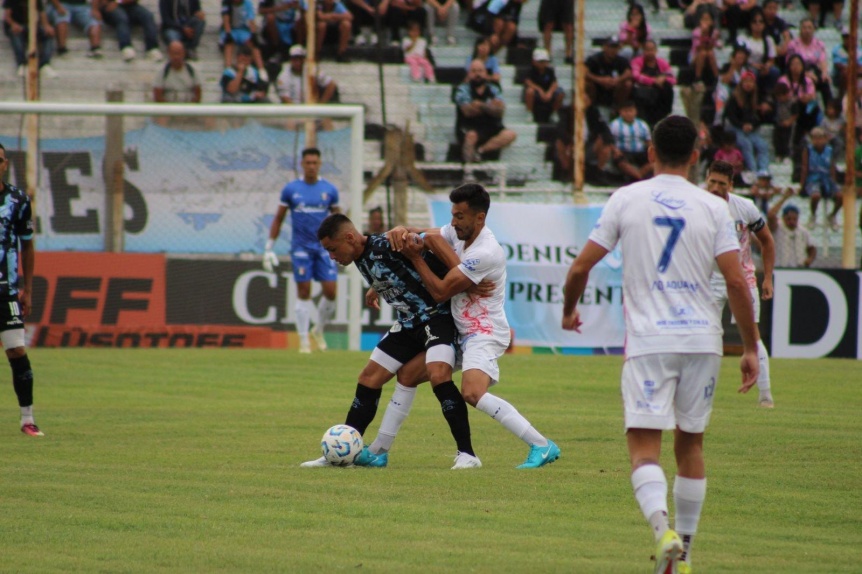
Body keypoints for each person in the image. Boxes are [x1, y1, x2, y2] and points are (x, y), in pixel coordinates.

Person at [561, 115, 759, 574]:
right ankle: (683, 554)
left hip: (651, 340)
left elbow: (578, 269)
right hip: (703, 340)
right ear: (695, 156)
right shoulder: (714, 207)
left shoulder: (626, 199)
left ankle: (661, 531)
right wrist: (751, 347)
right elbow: (735, 280)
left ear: (650, 152)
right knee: (691, 446)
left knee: (643, 449)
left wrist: (569, 311)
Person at [389, 183, 560, 469]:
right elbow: (429, 235)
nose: (453, 222)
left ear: (479, 218)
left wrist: (416, 257)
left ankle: (542, 445)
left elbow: (441, 292)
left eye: (460, 217)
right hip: (460, 331)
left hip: (484, 332)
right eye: (453, 215)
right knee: (407, 374)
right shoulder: (458, 232)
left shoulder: (486, 252)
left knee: (471, 392)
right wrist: (403, 229)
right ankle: (380, 450)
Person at [300, 213, 477, 469]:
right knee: (368, 378)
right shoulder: (360, 256)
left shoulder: (387, 243)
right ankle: (345, 451)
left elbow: (434, 240)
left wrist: (464, 276)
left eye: (333, 249)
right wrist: (376, 286)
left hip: (437, 318)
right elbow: (390, 272)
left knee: (439, 375)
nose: (332, 256)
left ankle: (467, 454)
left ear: (349, 238)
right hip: (408, 324)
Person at [705, 160, 776, 408]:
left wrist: (767, 277)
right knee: (704, 335)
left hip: (742, 278)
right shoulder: (696, 205)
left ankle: (765, 396)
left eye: (721, 183)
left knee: (752, 336)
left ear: (731, 185)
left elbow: (767, 241)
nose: (715, 187)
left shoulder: (744, 208)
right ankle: (702, 394)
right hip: (708, 280)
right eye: (711, 181)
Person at [263, 148, 338, 354]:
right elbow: (278, 218)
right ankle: (304, 342)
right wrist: (269, 246)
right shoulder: (291, 189)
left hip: (324, 248)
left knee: (331, 292)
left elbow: (338, 221)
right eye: (308, 163)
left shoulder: (329, 190)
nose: (311, 166)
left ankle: (318, 330)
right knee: (303, 292)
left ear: (320, 164)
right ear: (302, 164)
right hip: (300, 247)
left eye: (315, 163)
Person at [0, 143, 41, 437]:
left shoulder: (17, 200)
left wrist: (27, 287)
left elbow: (27, 243)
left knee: (16, 349)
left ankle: (27, 419)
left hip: (6, 290)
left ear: (4, 164)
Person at [454, 59, 517, 164]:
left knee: (510, 134)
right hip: (469, 126)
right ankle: (468, 171)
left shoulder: (494, 89)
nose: (477, 74)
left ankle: (480, 151)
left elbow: (500, 111)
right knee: (471, 136)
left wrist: (480, 105)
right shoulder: (462, 89)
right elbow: (467, 111)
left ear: (485, 73)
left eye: (480, 71)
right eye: (474, 71)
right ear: (469, 74)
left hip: (491, 126)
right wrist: (489, 107)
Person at [723, 70, 771, 184]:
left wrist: (752, 125)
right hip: (735, 128)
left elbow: (759, 118)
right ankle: (753, 170)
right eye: (746, 81)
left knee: (762, 145)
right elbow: (731, 117)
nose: (748, 84)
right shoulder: (734, 98)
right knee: (746, 144)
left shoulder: (756, 99)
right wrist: (742, 125)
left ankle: (763, 170)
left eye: (751, 82)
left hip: (750, 130)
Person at [799, 127, 841, 231]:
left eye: (820, 138)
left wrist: (834, 184)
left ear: (825, 139)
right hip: (813, 178)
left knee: (841, 196)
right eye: (815, 138)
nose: (818, 141)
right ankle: (813, 215)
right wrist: (802, 185)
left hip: (827, 178)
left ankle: (832, 215)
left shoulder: (830, 151)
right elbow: (805, 167)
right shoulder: (808, 150)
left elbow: (832, 168)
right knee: (815, 195)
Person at [4, 0, 58, 77]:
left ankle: (44, 64)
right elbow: (7, 16)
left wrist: (46, 26)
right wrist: (13, 24)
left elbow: (42, 13)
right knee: (15, 35)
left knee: (48, 34)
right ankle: (22, 64)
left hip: (32, 26)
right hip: (17, 25)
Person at [630, 39, 675, 128]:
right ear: (643, 51)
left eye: (652, 50)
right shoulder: (637, 61)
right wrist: (653, 81)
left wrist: (664, 78)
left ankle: (665, 116)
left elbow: (672, 79)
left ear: (656, 51)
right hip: (642, 91)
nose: (650, 52)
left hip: (658, 94)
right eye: (647, 50)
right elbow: (636, 76)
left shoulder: (662, 63)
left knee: (668, 88)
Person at [98, 0, 162, 62]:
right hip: (111, 7)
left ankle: (152, 48)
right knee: (121, 18)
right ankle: (126, 47)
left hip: (129, 6)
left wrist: (118, 2)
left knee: (148, 16)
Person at [768, 190, 816, 267]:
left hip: (799, 267)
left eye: (794, 219)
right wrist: (784, 198)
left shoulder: (803, 231)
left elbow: (812, 247)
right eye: (789, 219)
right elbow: (771, 215)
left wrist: (809, 259)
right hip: (780, 267)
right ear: (783, 218)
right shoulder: (778, 228)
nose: (791, 222)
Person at [585, 35, 633, 113]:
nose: (613, 50)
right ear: (604, 47)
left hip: (614, 89)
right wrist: (599, 80)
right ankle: (590, 108)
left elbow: (629, 73)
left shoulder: (621, 60)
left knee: (627, 84)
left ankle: (618, 108)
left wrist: (617, 80)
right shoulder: (594, 59)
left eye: (615, 47)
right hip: (598, 88)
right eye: (610, 47)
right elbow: (584, 72)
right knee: (587, 84)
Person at [609, 100, 653, 182]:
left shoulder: (642, 124)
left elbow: (648, 140)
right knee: (621, 161)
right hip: (623, 151)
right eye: (626, 111)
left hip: (640, 152)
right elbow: (610, 141)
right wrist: (615, 150)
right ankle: (639, 177)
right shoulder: (615, 124)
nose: (628, 113)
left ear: (635, 111)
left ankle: (637, 175)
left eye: (631, 111)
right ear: (620, 112)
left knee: (654, 161)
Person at [219, 0, 266, 71]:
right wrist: (228, 33)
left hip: (243, 30)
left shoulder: (247, 3)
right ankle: (227, 68)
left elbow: (251, 19)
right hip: (231, 29)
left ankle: (261, 69)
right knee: (229, 42)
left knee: (253, 44)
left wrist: (253, 34)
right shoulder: (226, 2)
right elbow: (226, 19)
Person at [522, 47, 564, 123]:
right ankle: (529, 113)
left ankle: (554, 113)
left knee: (560, 92)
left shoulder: (550, 71)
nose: (543, 63)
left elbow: (554, 83)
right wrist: (540, 90)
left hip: (547, 92)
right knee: (529, 91)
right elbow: (528, 82)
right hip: (536, 93)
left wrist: (549, 93)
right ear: (534, 61)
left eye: (544, 61)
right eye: (540, 61)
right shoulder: (531, 70)